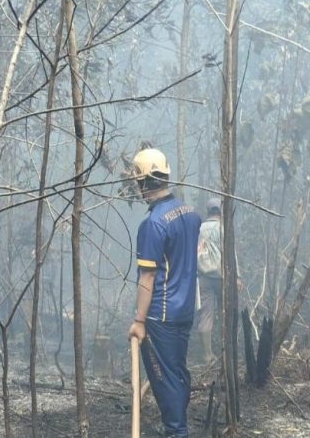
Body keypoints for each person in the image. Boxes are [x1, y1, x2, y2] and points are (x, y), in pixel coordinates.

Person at [127, 148, 201, 438]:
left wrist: (140, 321)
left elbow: (148, 275)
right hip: (184, 311)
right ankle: (177, 427)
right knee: (178, 372)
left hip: (161, 314)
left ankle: (176, 432)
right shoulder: (190, 213)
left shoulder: (153, 224)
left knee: (165, 378)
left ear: (144, 182)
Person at [196, 197, 223, 364]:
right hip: (222, 278)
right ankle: (224, 351)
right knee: (224, 313)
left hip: (204, 278)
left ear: (208, 211)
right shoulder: (223, 228)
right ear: (220, 211)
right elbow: (230, 254)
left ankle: (207, 354)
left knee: (206, 314)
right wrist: (238, 277)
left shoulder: (199, 228)